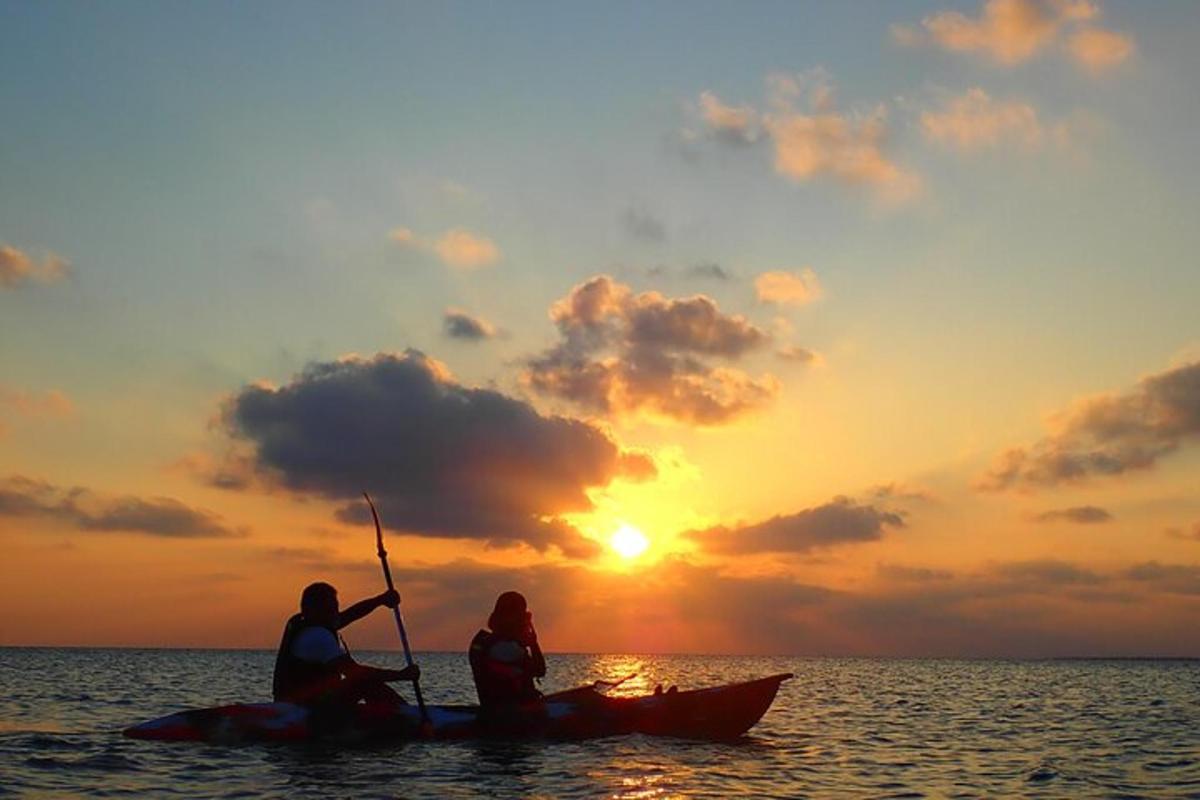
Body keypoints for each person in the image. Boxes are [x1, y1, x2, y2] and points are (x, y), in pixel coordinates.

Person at [272, 582, 420, 718]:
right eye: (330, 609)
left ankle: (398, 713)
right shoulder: (317, 637)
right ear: (313, 609)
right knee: (365, 683)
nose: (336, 613)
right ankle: (409, 716)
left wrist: (380, 600)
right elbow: (354, 672)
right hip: (306, 709)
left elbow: (351, 615)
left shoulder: (311, 623)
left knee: (364, 682)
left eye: (335, 607)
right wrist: (402, 675)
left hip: (306, 702)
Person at [468, 591, 546, 713]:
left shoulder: (486, 643)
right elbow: (539, 670)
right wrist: (533, 644)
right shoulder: (501, 648)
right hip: (512, 718)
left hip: (503, 713)